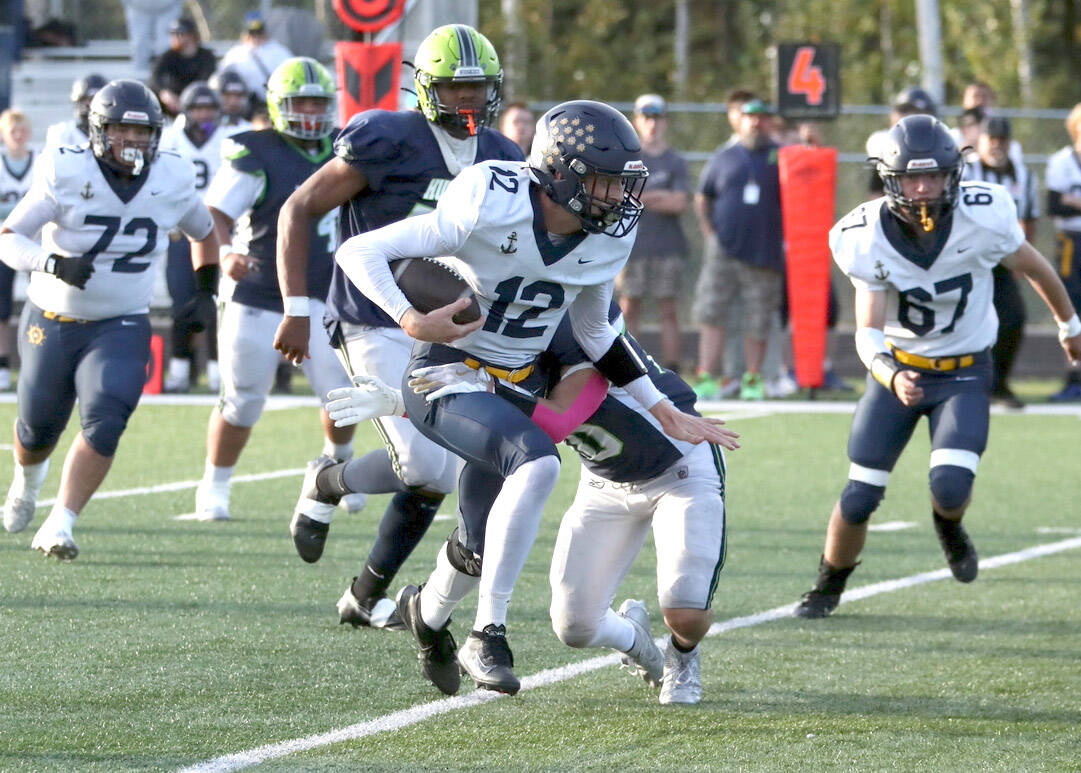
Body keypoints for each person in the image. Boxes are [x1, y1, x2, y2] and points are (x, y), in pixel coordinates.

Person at [334, 98, 735, 696]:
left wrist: (658, 406)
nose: (618, 198)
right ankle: (486, 634)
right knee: (536, 466)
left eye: (622, 183)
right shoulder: (490, 197)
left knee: (480, 540)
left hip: (514, 393)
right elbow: (358, 250)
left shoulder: (598, 268)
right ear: (559, 174)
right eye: (604, 182)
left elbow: (595, 340)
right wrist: (408, 321)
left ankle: (429, 617)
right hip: (455, 373)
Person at [323, 308, 735, 704]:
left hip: (680, 471)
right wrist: (401, 403)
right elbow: (494, 406)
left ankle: (683, 654)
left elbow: (558, 418)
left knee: (684, 611)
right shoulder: (525, 342)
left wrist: (489, 385)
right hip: (605, 483)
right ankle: (635, 640)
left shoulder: (588, 340)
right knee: (575, 625)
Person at [273, 25, 522, 629]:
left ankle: (363, 596)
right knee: (425, 466)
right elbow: (299, 207)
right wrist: (296, 307)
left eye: (478, 88)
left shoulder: (503, 153)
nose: (468, 100)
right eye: (455, 88)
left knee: (444, 471)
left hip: (454, 324)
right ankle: (328, 480)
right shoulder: (387, 138)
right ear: (427, 88)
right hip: (375, 316)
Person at [794, 115, 1081, 619]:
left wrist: (1069, 325)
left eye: (933, 176)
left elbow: (1036, 266)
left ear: (953, 174)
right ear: (891, 179)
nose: (923, 188)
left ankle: (948, 524)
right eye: (912, 178)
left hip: (965, 372)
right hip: (899, 371)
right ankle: (827, 585)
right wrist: (889, 372)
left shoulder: (984, 214)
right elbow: (867, 330)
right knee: (859, 496)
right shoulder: (864, 234)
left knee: (950, 488)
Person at [0, 80, 220, 555]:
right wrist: (52, 262)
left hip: (121, 320)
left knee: (107, 418)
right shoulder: (66, 169)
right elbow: (8, 237)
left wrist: (207, 288)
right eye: (123, 130)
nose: (133, 141)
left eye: (143, 132)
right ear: (99, 130)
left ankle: (61, 523)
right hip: (52, 318)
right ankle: (26, 483)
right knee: (37, 431)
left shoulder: (171, 177)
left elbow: (204, 232)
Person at [190, 57, 355, 522]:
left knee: (341, 395)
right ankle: (214, 485)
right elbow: (214, 214)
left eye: (318, 103)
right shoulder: (256, 151)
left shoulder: (348, 147)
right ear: (278, 105)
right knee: (242, 399)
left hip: (326, 290)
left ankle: (337, 470)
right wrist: (225, 254)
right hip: (259, 289)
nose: (311, 112)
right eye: (301, 103)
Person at [692, 98, 785, 401]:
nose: (755, 122)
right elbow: (703, 197)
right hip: (723, 251)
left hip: (765, 252)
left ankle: (752, 379)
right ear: (740, 120)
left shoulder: (782, 156)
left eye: (762, 117)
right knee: (711, 312)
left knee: (758, 318)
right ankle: (707, 377)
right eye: (749, 116)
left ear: (770, 121)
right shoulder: (724, 156)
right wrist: (710, 234)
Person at [964, 116, 1039, 409]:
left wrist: (1023, 257)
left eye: (1002, 140)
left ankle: (999, 384)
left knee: (1013, 319)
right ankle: (965, 383)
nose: (997, 145)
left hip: (1002, 258)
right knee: (966, 321)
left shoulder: (1023, 176)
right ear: (980, 141)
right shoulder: (965, 170)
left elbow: (1029, 219)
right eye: (991, 139)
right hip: (967, 257)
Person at [159, 82, 226, 393]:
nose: (203, 115)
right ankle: (179, 371)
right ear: (186, 111)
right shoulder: (169, 139)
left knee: (217, 303)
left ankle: (217, 372)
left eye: (208, 109)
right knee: (182, 303)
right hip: (180, 234)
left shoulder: (229, 138)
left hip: (218, 233)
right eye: (197, 109)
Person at [616, 94, 690, 373]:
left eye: (657, 118)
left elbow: (679, 203)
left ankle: (672, 369)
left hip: (667, 247)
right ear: (637, 121)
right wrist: (660, 195)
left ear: (665, 122)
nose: (652, 124)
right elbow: (620, 199)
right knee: (629, 308)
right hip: (631, 246)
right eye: (647, 118)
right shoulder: (628, 159)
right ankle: (628, 368)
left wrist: (642, 197)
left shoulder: (675, 161)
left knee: (668, 310)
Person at [1044, 103, 1081, 402]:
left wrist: (1074, 200)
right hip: (1071, 242)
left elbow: (1065, 201)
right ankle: (1074, 377)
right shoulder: (1061, 162)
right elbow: (1053, 205)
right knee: (1071, 307)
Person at [0, 109, 37, 391]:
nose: (19, 135)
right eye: (13, 131)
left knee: (44, 301)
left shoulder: (41, 162)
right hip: (4, 242)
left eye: (23, 130)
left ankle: (37, 361)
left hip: (36, 241)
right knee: (1, 307)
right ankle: (2, 364)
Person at [865, 87, 938, 196]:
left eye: (917, 113)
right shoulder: (880, 141)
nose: (908, 117)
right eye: (904, 111)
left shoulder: (943, 143)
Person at [217, 12, 293, 113]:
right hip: (245, 108)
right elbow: (220, 78)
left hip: (275, 105)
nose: (255, 36)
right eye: (251, 33)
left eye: (259, 32)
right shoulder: (235, 54)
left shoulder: (280, 52)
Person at [150, 17, 217, 118]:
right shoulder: (169, 56)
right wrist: (165, 93)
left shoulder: (206, 56)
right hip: (173, 100)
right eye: (173, 34)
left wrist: (187, 99)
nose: (175, 38)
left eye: (180, 34)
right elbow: (155, 77)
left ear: (192, 35)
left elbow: (205, 80)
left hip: (198, 98)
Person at [43, 74, 108, 152]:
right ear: (78, 101)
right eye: (86, 99)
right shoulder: (62, 132)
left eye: (95, 100)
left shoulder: (112, 133)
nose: (90, 105)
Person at [120, 0, 185, 74]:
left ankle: (166, 71)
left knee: (165, 43)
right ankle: (139, 73)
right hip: (138, 6)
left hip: (167, 6)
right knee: (140, 44)